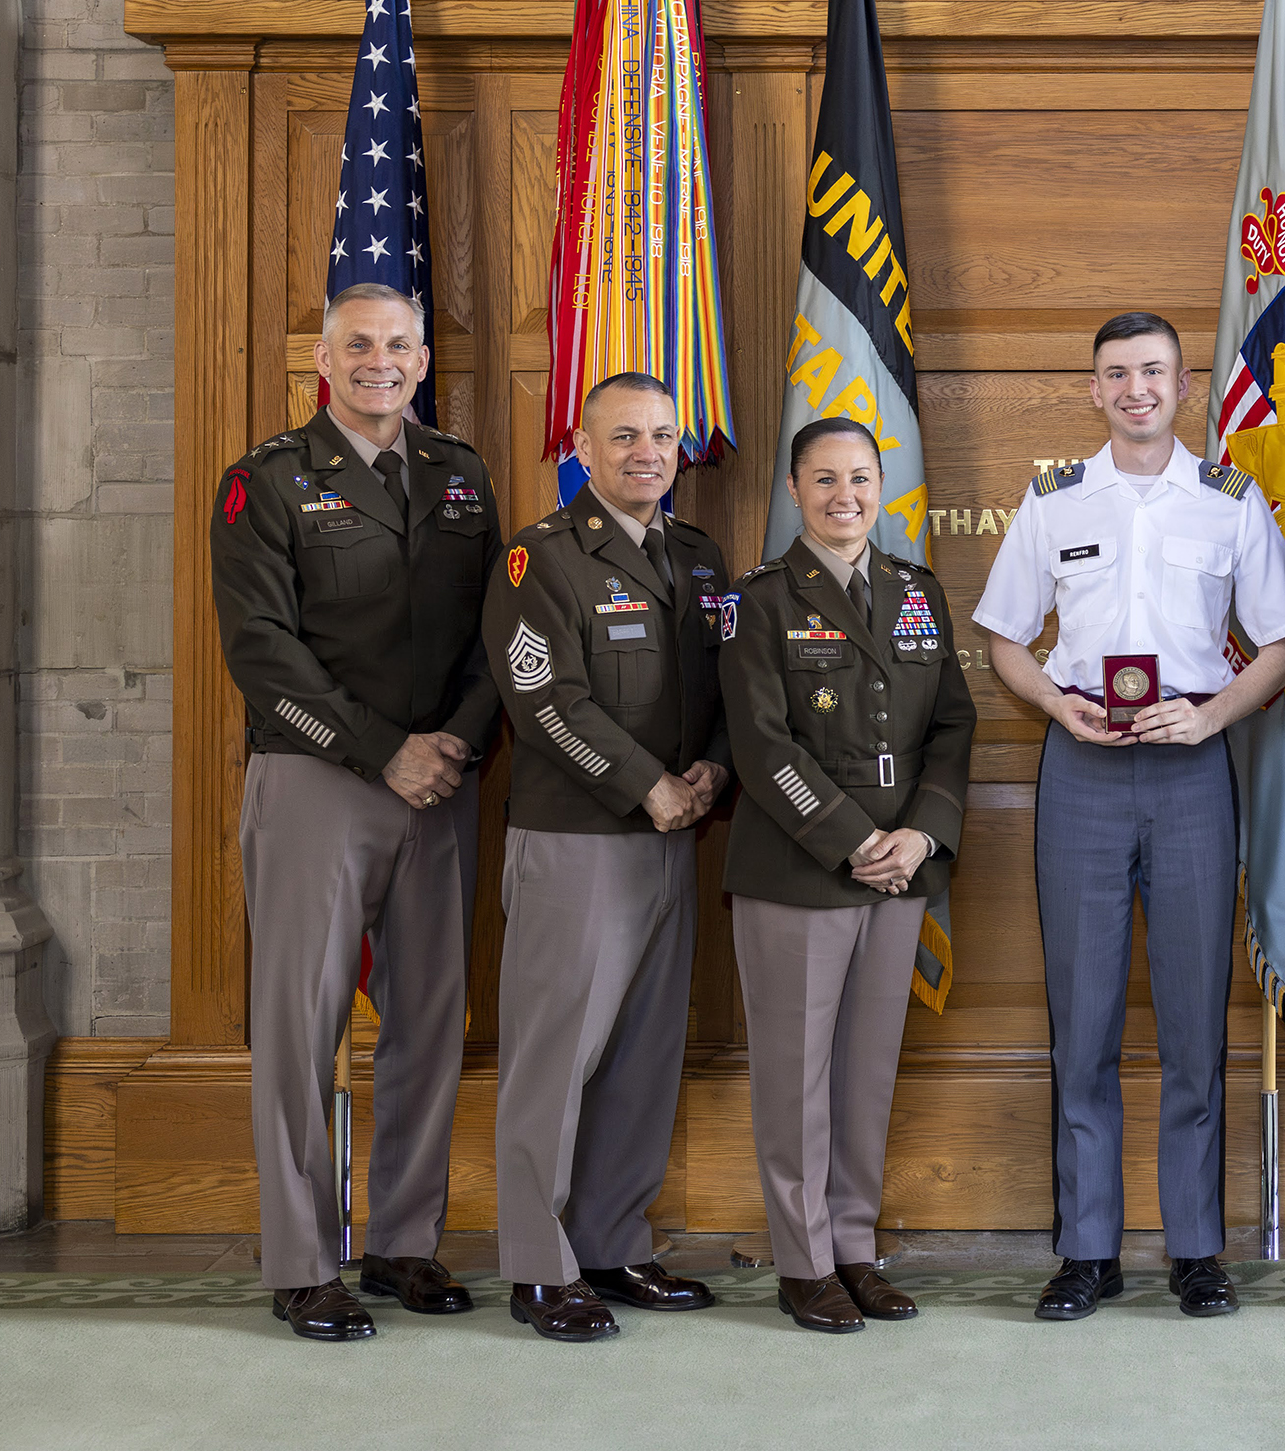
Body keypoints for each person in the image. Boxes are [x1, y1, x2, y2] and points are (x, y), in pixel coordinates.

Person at [973, 311, 1285, 1321]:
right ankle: (1087, 1247)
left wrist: (1209, 714)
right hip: (1081, 769)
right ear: (1094, 389)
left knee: (1196, 1016)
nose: (1135, 389)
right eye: (1117, 373)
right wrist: (1053, 701)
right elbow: (1003, 638)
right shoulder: (1052, 498)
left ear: (1182, 383)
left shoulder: (1229, 502)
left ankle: (1197, 1247)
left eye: (1153, 371)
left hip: (1193, 774)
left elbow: (1281, 647)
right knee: (1083, 1018)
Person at [210, 282, 501, 1342]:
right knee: (302, 1025)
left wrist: (456, 739)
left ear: (424, 361)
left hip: (443, 780)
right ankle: (301, 1261)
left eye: (399, 345)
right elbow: (260, 651)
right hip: (319, 780)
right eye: (359, 345)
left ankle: (403, 1243)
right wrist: (385, 750)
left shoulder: (460, 478)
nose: (381, 361)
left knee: (429, 1019)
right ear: (323, 362)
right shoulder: (268, 482)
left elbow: (495, 635)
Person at [482, 371, 732, 1342]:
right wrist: (649, 784)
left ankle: (612, 1242)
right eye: (624, 434)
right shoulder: (539, 559)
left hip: (672, 840)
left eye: (663, 435)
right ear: (582, 448)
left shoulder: (700, 559)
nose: (646, 452)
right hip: (578, 839)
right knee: (556, 1059)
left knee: (641, 1054)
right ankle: (539, 1265)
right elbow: (546, 703)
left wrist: (709, 770)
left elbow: (726, 693)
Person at [718, 417, 978, 1335]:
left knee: (865, 1072)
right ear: (794, 490)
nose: (845, 496)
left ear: (881, 483)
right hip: (801, 869)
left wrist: (921, 834)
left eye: (861, 478)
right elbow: (759, 742)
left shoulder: (915, 590)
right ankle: (803, 1260)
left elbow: (952, 725)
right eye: (824, 479)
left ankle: (855, 1247)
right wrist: (850, 838)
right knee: (795, 1076)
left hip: (901, 871)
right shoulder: (759, 600)